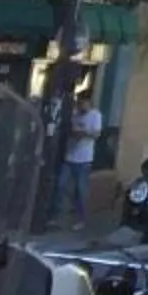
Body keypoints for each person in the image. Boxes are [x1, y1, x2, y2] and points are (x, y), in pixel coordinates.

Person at [55, 91, 99, 230]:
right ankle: (60, 216)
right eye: (78, 102)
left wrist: (83, 133)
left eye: (82, 102)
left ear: (88, 103)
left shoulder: (95, 115)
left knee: (81, 189)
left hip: (84, 159)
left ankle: (82, 218)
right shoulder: (74, 114)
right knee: (61, 185)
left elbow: (96, 134)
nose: (80, 105)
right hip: (70, 156)